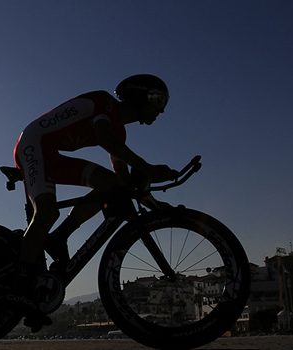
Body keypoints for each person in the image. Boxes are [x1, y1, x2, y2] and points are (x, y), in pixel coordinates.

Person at [13, 74, 179, 328]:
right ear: (139, 96)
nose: (161, 110)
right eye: (158, 100)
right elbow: (104, 138)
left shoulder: (119, 133)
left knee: (112, 184)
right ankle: (20, 283)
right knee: (46, 213)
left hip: (51, 154)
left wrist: (156, 207)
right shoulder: (104, 104)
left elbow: (125, 182)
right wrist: (147, 167)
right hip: (34, 144)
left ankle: (59, 237)